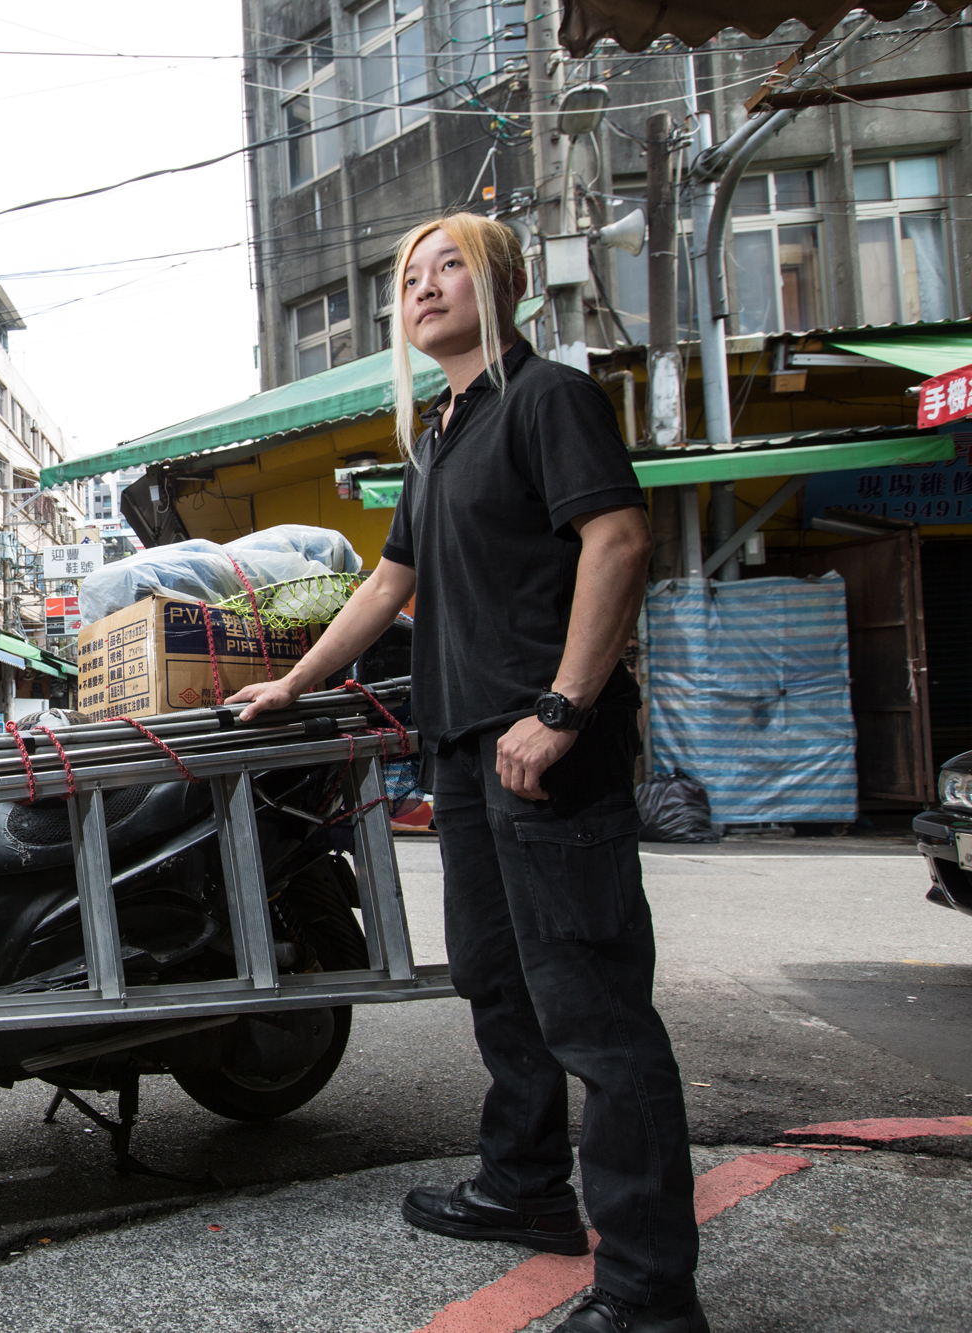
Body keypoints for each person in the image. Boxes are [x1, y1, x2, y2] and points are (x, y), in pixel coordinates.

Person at [230, 213, 701, 1333]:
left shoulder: (548, 399)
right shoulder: (439, 435)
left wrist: (561, 708)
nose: (423, 287)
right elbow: (385, 587)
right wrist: (291, 683)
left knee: (592, 1011)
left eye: (449, 266)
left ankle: (647, 1290)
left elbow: (618, 543)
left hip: (545, 750)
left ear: (504, 287)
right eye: (408, 275)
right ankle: (524, 1184)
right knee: (496, 979)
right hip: (462, 749)